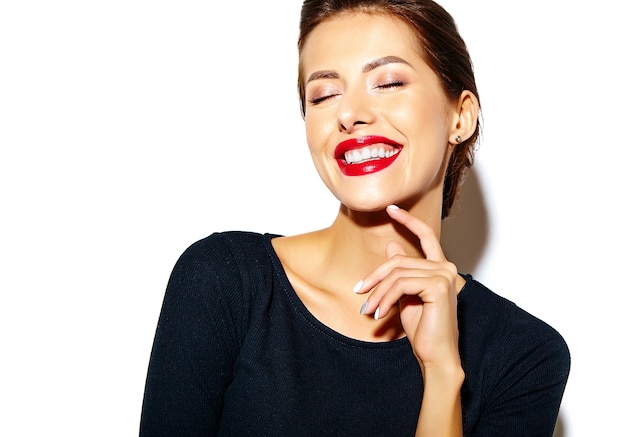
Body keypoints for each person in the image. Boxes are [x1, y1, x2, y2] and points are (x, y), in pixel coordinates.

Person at [139, 0, 570, 435]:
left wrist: (441, 374)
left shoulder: (524, 355)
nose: (350, 114)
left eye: (388, 82)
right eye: (324, 94)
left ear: (461, 115)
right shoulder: (224, 280)